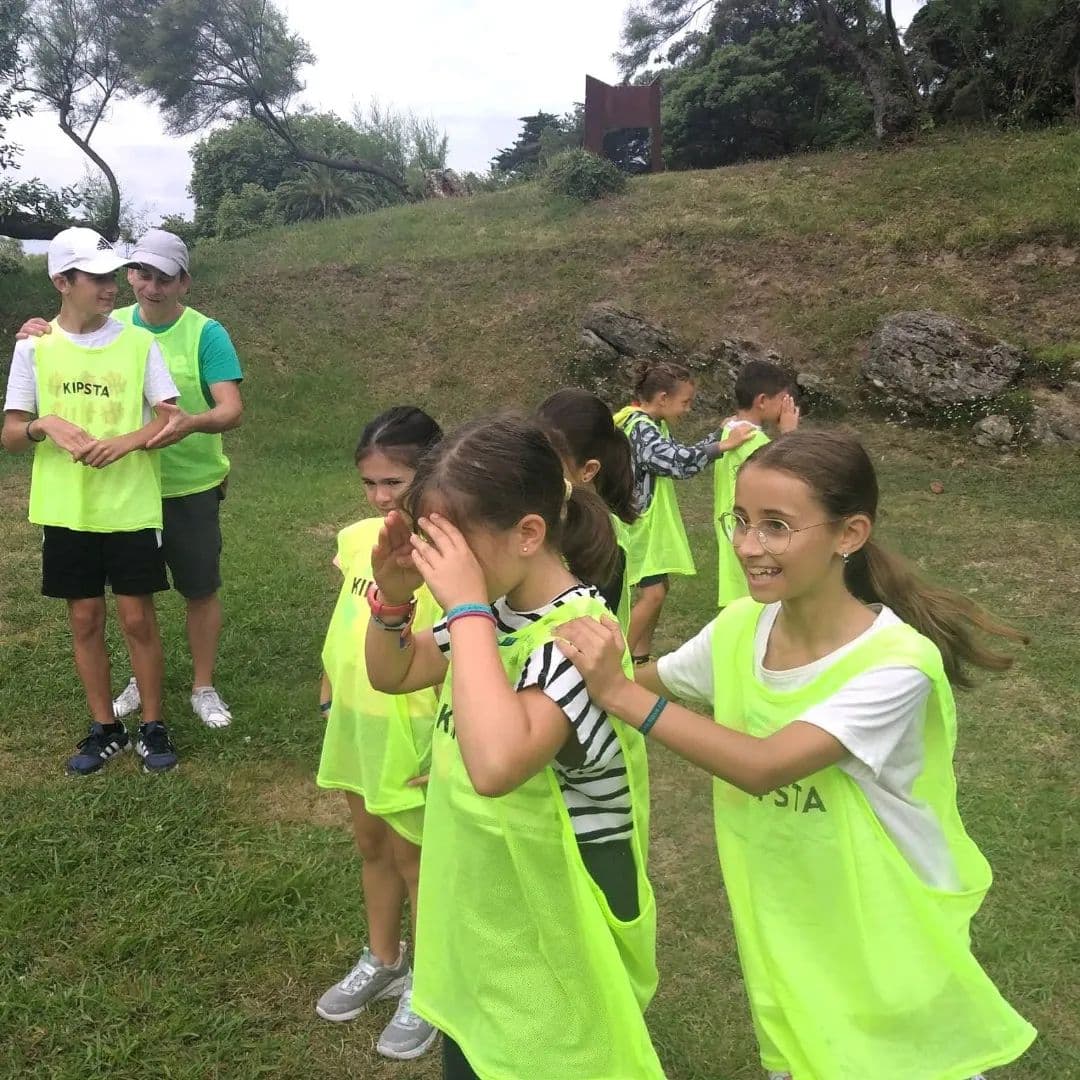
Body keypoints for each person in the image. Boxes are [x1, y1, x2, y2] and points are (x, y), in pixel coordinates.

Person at [560, 430, 1037, 1080]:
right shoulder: (738, 629)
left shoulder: (895, 665)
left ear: (849, 534)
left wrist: (617, 692)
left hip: (891, 935)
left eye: (777, 527)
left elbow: (764, 766)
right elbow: (655, 681)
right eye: (742, 521)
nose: (749, 546)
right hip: (790, 931)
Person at [364, 416, 662, 1080]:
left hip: (560, 931)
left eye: (455, 546)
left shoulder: (580, 637)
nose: (445, 567)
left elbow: (497, 763)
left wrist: (466, 608)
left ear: (529, 533)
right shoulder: (492, 610)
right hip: (490, 920)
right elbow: (394, 673)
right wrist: (391, 597)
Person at [17, 228, 244, 730]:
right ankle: (141, 683)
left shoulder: (205, 333)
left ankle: (202, 686)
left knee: (197, 585)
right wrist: (37, 332)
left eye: (164, 278)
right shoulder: (112, 323)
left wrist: (187, 424)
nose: (148, 286)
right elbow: (72, 341)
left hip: (187, 481)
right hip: (120, 489)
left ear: (184, 282)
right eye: (140, 274)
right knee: (133, 602)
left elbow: (230, 409)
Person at [1, 227, 189, 775]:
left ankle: (153, 725)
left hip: (130, 506)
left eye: (113, 277)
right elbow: (12, 434)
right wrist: (45, 424)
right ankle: (105, 727)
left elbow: (169, 416)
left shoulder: (138, 342)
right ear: (63, 281)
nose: (111, 287)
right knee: (84, 619)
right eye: (98, 278)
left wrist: (126, 442)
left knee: (137, 619)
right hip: (66, 512)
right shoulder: (33, 347)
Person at [314, 406, 443, 1061]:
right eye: (370, 483)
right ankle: (384, 956)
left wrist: (451, 745)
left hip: (414, 734)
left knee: (418, 860)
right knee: (371, 845)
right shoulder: (357, 538)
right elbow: (347, 618)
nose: (380, 497)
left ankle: (431, 982)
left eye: (394, 482)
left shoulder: (451, 560)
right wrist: (330, 689)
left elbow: (462, 652)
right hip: (355, 725)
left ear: (433, 474)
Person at [613, 360, 753, 664]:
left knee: (658, 589)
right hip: (634, 529)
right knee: (653, 595)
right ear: (663, 398)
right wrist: (723, 446)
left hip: (642, 526)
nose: (687, 409)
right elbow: (677, 463)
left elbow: (680, 454)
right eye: (685, 402)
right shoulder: (639, 428)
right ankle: (614, 663)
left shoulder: (651, 424)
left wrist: (719, 435)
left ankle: (639, 659)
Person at [535, 387, 638, 633]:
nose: (533, 469)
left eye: (548, 462)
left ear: (588, 470)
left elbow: (586, 636)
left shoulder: (604, 541)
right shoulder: (549, 515)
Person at [715, 360, 799, 608]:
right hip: (753, 530)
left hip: (733, 526)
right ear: (762, 401)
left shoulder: (729, 433)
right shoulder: (754, 442)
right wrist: (789, 436)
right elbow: (788, 478)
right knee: (754, 606)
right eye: (783, 399)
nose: (788, 406)